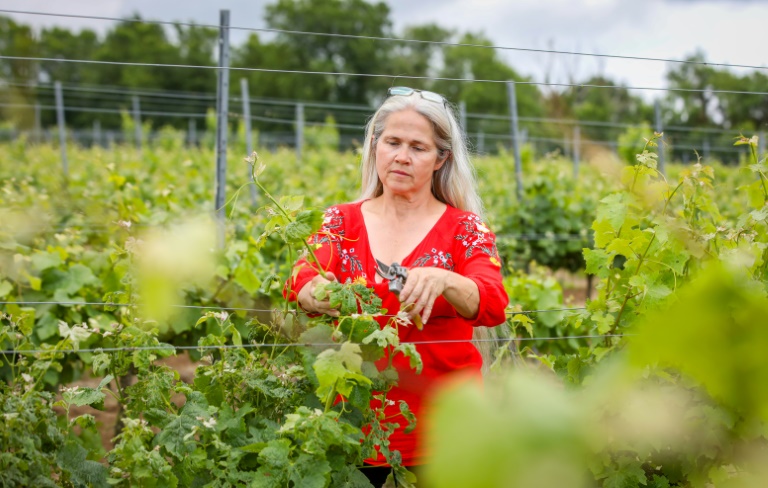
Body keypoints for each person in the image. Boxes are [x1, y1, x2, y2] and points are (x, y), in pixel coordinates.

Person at [285, 86, 509, 485]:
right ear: (375, 146)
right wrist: (309, 290)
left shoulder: (464, 230)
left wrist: (445, 279)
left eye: (418, 148)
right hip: (354, 428)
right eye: (392, 142)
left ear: (442, 159)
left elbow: (491, 302)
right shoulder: (341, 223)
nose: (402, 156)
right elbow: (300, 276)